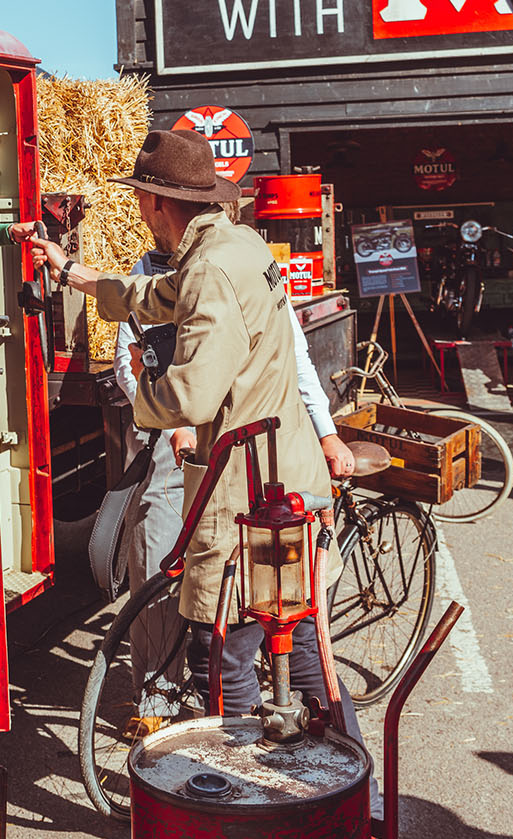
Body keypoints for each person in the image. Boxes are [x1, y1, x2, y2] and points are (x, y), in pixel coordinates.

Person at [27, 127, 358, 740]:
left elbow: (190, 395)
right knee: (310, 654)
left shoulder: (209, 269)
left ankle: (247, 805)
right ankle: (334, 797)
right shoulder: (243, 247)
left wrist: (147, 411)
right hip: (292, 480)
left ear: (156, 202)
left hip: (249, 496)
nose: (140, 212)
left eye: (141, 200)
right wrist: (71, 272)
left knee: (225, 656)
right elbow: (151, 296)